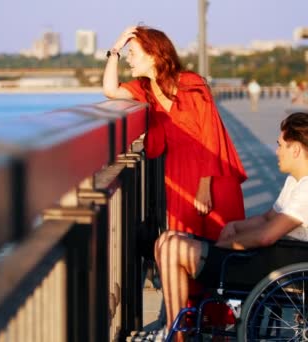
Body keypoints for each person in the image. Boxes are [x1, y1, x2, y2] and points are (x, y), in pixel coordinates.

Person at [103, 26, 247, 335]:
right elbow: (110, 91)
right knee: (186, 250)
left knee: (219, 249)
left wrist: (205, 185)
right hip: (178, 179)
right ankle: (184, 325)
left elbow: (210, 132)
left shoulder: (191, 84)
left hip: (213, 176)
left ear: (154, 54)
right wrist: (114, 49)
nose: (129, 59)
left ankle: (219, 325)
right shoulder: (144, 90)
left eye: (133, 53)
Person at [154, 112, 308, 341]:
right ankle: (175, 329)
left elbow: (267, 236)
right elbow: (268, 218)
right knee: (166, 240)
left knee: (172, 248)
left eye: (281, 145)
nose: (277, 151)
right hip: (268, 259)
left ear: (296, 149)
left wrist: (226, 245)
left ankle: (175, 334)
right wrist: (236, 225)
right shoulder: (299, 181)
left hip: (268, 267)